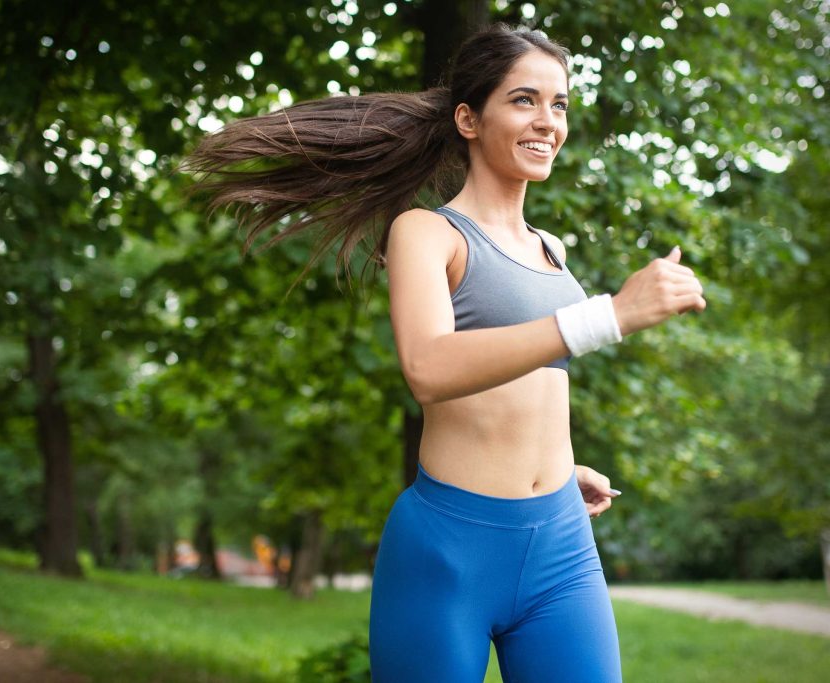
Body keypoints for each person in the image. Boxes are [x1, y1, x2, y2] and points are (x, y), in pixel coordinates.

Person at [180, 21, 705, 683]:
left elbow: (523, 384)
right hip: (449, 548)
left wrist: (553, 464)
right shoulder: (428, 233)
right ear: (468, 118)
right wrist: (611, 314)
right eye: (524, 100)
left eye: (559, 103)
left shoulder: (553, 249)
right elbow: (428, 367)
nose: (548, 121)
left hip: (561, 543)